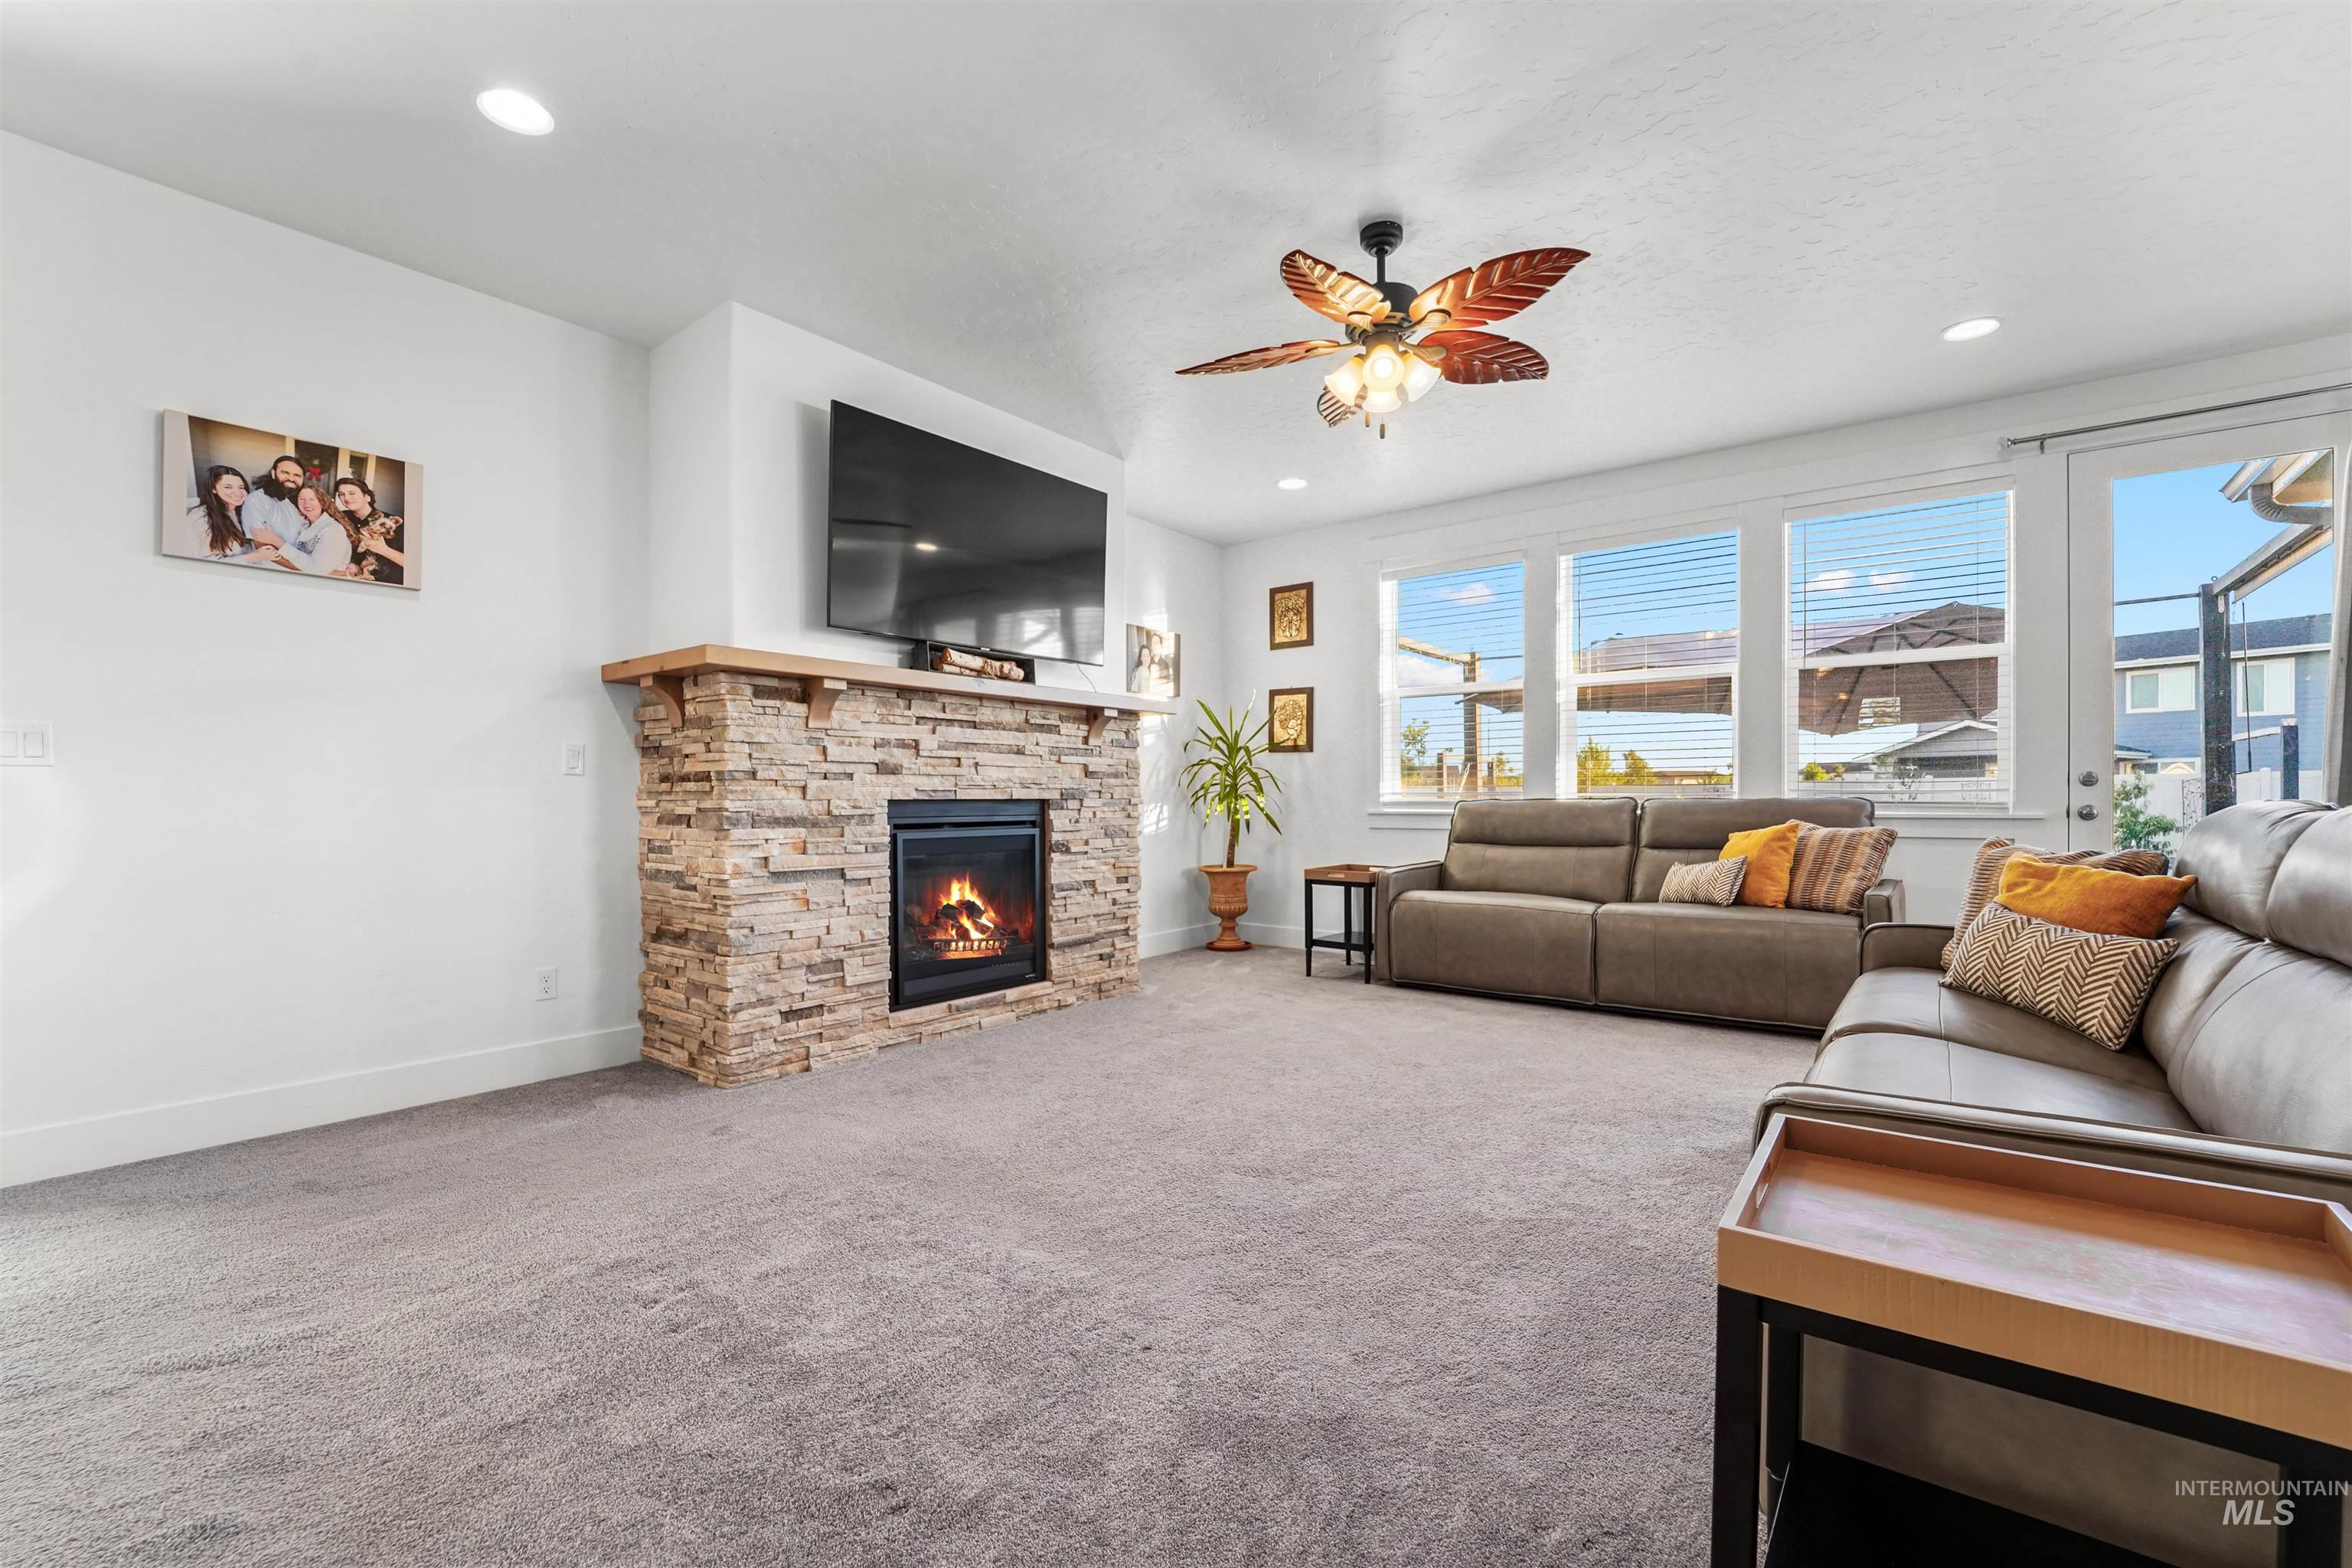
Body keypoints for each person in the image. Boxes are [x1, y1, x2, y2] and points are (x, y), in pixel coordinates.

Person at [267, 482, 356, 576]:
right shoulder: (304, 525)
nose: (306, 504)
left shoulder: (333, 530)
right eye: (301, 499)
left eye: (312, 499)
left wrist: (276, 541)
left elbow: (317, 570)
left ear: (322, 502)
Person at [330, 476, 406, 585]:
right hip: (354, 581)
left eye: (352, 493)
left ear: (367, 497)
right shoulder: (342, 518)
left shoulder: (392, 523)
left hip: (389, 584)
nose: (346, 498)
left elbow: (415, 565)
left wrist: (384, 550)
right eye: (341, 494)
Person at [170, 465, 256, 560]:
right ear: (213, 489)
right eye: (228, 487)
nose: (238, 493)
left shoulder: (242, 511)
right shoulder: (202, 520)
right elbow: (206, 563)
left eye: (241, 487)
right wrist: (253, 557)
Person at [240, 454, 307, 554]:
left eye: (297, 475)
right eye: (285, 473)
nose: (292, 479)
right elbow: (262, 546)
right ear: (273, 473)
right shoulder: (258, 499)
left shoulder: (297, 503)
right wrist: (301, 567)